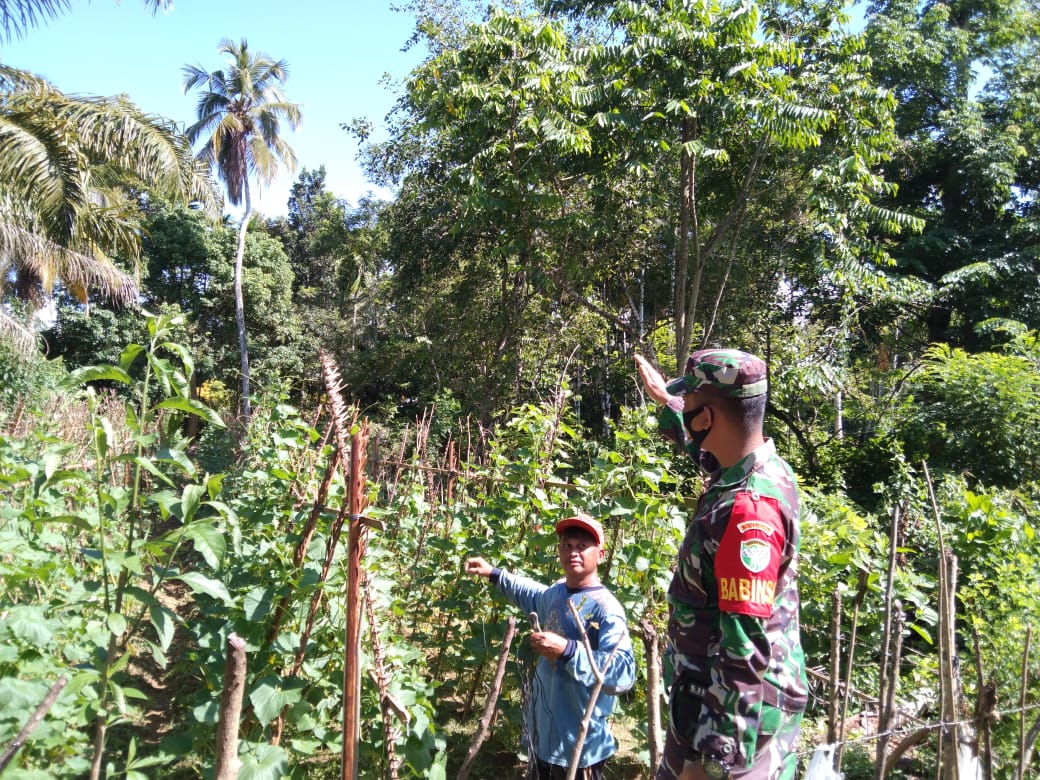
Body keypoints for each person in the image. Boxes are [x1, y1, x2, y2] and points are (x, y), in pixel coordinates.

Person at [634, 349, 807, 780]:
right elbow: (706, 456)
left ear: (708, 417)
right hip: (709, 699)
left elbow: (743, 649)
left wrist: (713, 761)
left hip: (735, 723)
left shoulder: (750, 512)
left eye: (690, 405)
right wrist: (668, 403)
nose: (686, 413)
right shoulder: (758, 469)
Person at [464, 514, 636, 780]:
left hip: (579, 746)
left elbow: (623, 675)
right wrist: (494, 573)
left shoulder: (606, 609)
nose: (573, 552)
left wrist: (568, 650)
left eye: (582, 546)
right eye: (567, 546)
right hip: (544, 739)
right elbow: (530, 594)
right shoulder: (556, 594)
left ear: (600, 555)